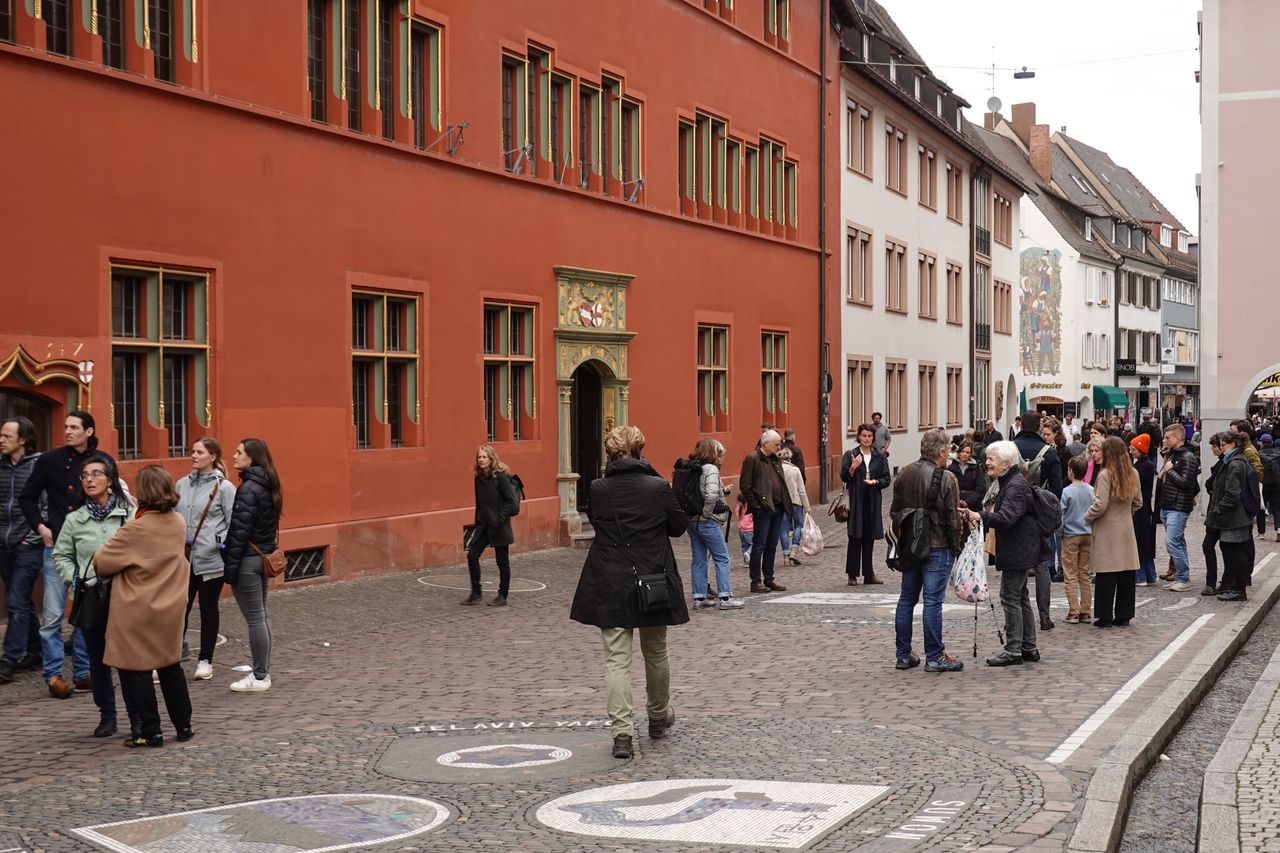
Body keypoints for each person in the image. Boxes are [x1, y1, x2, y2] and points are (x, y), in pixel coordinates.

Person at [569, 425, 688, 760]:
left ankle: (621, 733)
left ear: (610, 453)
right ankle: (657, 715)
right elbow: (678, 527)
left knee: (616, 660)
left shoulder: (599, 488)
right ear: (641, 450)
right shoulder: (656, 487)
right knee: (656, 652)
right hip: (651, 577)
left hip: (610, 579)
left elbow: (597, 519)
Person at [94, 465, 193, 747]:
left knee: (135, 668)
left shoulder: (136, 528)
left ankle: (150, 730)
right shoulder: (177, 522)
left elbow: (103, 561)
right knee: (170, 666)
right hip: (170, 606)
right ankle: (184, 725)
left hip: (137, 609)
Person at [19, 411, 105, 698]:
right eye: (65, 427)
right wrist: (40, 527)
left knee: (85, 614)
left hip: (90, 552)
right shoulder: (50, 460)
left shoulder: (102, 462)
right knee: (53, 615)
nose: (67, 431)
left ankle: (82, 673)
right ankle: (53, 674)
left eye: (73, 427)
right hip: (56, 549)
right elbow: (27, 497)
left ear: (88, 431)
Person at [52, 452, 137, 738]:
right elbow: (61, 555)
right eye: (85, 476)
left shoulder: (128, 514)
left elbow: (141, 549)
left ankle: (137, 716)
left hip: (124, 597)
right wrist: (75, 580)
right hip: (90, 597)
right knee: (98, 662)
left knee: (127, 661)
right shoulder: (75, 519)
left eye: (96, 474)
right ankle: (107, 716)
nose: (89, 480)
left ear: (110, 480)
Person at [891, 429, 964, 673]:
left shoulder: (904, 473)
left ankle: (903, 654)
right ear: (941, 452)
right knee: (932, 602)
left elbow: (894, 512)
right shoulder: (946, 478)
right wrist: (956, 546)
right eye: (948, 452)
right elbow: (953, 518)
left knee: (907, 600)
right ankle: (934, 656)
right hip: (937, 544)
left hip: (911, 545)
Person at [969, 441, 1041, 666]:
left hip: (1018, 548)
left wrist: (981, 516)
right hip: (1020, 547)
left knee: (1010, 597)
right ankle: (1028, 647)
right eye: (987, 458)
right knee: (1020, 597)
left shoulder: (1014, 485)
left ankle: (1014, 650)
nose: (987, 462)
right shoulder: (1010, 481)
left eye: (992, 459)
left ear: (1006, 463)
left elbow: (1008, 517)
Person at [223, 438, 282, 692]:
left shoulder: (248, 488)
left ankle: (260, 676)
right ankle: (263, 672)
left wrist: (230, 568)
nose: (234, 456)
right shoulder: (268, 483)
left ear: (252, 457)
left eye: (239, 453)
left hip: (248, 559)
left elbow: (239, 532)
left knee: (256, 618)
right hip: (263, 556)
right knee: (262, 615)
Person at [175, 438, 237, 681]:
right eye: (193, 451)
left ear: (212, 457)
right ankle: (173, 656)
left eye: (199, 452)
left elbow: (233, 522)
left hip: (211, 559)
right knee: (180, 608)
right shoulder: (181, 484)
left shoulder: (225, 488)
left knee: (208, 609)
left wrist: (218, 542)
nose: (194, 455)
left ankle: (205, 660)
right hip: (184, 559)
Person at [0, 416, 43, 682]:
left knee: (16, 600)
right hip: (3, 543)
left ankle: (8, 658)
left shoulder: (39, 466)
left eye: (6, 436)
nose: (1, 440)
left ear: (23, 440)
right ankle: (36, 651)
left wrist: (33, 536)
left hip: (28, 544)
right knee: (23, 601)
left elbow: (48, 503)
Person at [1085, 437, 1143, 627]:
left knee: (1106, 574)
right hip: (1126, 527)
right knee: (1126, 574)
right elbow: (1138, 502)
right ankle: (1124, 615)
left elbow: (1100, 504)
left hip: (1107, 528)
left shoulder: (1105, 475)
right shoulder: (1133, 472)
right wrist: (1126, 513)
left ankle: (1105, 616)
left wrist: (1087, 517)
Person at [1012, 411, 1061, 631]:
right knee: (1041, 566)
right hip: (1039, 514)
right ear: (1039, 426)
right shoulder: (1049, 453)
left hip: (1012, 512)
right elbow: (1057, 490)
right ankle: (1044, 614)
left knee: (1015, 565)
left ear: (1021, 425)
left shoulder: (1009, 449)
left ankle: (1017, 614)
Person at [684, 439, 742, 610]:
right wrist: (706, 513)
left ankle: (699, 597)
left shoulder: (692, 467)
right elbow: (709, 496)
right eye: (721, 454)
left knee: (699, 558)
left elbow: (700, 491)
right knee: (722, 558)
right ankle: (725, 597)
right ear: (715, 454)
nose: (722, 458)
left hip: (691, 519)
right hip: (706, 520)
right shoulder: (711, 469)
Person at [463, 445, 517, 607]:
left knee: (502, 561)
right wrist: (478, 520)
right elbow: (479, 502)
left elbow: (510, 500)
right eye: (479, 457)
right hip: (484, 525)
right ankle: (476, 592)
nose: (481, 460)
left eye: (484, 457)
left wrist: (500, 518)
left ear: (491, 459)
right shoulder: (479, 477)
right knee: (472, 555)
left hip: (499, 525)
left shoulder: (500, 476)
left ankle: (503, 595)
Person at [738, 430, 790, 594]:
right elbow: (745, 485)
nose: (778, 447)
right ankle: (755, 581)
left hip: (777, 507)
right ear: (765, 444)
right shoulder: (753, 458)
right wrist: (756, 505)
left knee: (772, 545)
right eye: (776, 444)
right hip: (763, 508)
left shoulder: (775, 459)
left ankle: (769, 578)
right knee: (759, 545)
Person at [1206, 431, 1256, 602]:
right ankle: (1236, 587)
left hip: (1233, 517)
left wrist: (1219, 509)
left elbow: (1232, 493)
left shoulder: (1234, 463)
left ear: (1233, 444)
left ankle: (1238, 589)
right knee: (1235, 552)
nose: (1221, 448)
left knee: (1235, 552)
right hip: (1235, 516)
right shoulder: (1236, 461)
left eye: (1223, 444)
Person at [840, 424, 891, 585]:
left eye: (869, 436)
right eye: (864, 436)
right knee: (855, 536)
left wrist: (876, 481)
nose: (867, 439)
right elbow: (844, 478)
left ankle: (869, 574)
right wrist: (853, 468)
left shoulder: (880, 456)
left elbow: (886, 479)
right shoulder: (850, 454)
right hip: (856, 498)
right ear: (859, 437)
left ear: (873, 438)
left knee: (869, 537)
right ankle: (852, 574)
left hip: (873, 498)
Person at [1154, 423, 1200, 591]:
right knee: (1177, 541)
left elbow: (1187, 484)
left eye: (1168, 437)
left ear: (1179, 437)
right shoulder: (1174, 455)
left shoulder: (1187, 457)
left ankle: (1183, 578)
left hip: (1178, 505)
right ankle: (1182, 576)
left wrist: (1169, 471)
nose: (1165, 440)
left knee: (1172, 541)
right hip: (1169, 504)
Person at [1060, 456, 1094, 624]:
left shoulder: (1067, 491)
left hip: (1071, 535)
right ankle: (1086, 611)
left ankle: (1073, 611)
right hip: (1088, 534)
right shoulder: (1091, 489)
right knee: (1084, 574)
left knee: (1070, 574)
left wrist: (1059, 533)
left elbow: (1061, 514)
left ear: (1071, 471)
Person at [1129, 434, 1158, 586]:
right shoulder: (1144, 464)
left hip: (1142, 508)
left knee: (1141, 540)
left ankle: (1141, 576)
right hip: (1144, 507)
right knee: (1145, 542)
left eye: (1133, 448)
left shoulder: (1143, 466)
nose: (1131, 450)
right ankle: (1150, 574)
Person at [778, 448, 810, 567]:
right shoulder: (795, 470)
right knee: (799, 525)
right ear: (789, 458)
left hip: (781, 503)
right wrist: (807, 507)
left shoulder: (777, 469)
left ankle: (786, 556)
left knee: (783, 529)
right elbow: (801, 490)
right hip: (796, 501)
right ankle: (794, 550)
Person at [949, 441, 988, 510]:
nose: (964, 454)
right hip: (956, 506)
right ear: (959, 452)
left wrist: (967, 502)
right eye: (963, 451)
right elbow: (949, 489)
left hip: (974, 507)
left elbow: (981, 489)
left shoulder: (977, 468)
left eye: (967, 452)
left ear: (970, 454)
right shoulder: (951, 468)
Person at [1258, 434, 1280, 542]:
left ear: (1262, 443)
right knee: (1277, 508)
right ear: (1271, 442)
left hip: (1263, 484)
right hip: (1277, 484)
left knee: (1261, 508)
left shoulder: (1259, 454)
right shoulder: (1278, 453)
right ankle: (1279, 528)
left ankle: (1261, 532)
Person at [734, 493, 753, 567]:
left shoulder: (739, 508)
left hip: (741, 530)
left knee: (744, 545)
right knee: (753, 544)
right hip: (750, 529)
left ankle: (746, 562)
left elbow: (736, 512)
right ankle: (748, 553)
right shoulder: (749, 508)